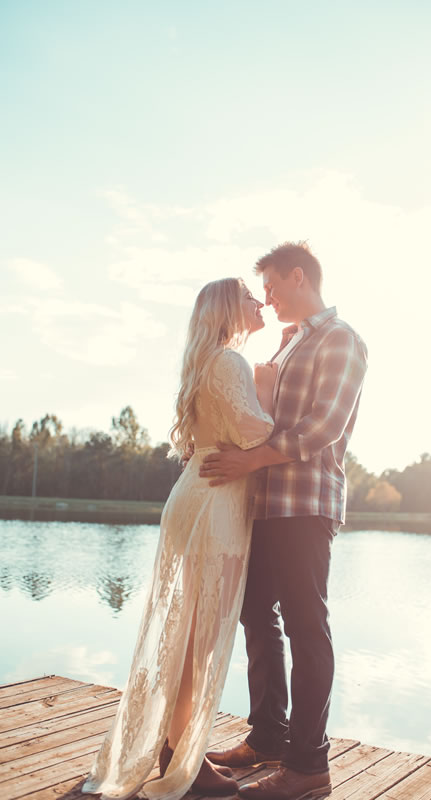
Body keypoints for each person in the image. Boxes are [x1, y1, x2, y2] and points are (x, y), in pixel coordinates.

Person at [82, 278, 276, 800]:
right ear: (230, 310)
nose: (261, 303)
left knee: (190, 636)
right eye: (251, 298)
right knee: (199, 643)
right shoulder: (231, 362)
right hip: (214, 508)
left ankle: (176, 750)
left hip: (198, 500)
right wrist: (271, 390)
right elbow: (256, 436)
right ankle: (179, 762)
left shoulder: (207, 361)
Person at [201, 242, 368, 800]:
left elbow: (324, 427)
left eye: (271, 285)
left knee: (306, 627)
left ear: (299, 276)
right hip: (268, 504)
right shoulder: (289, 342)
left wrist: (250, 459)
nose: (266, 298)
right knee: (254, 612)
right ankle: (269, 736)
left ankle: (307, 767)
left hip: (306, 503)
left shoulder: (341, 339)